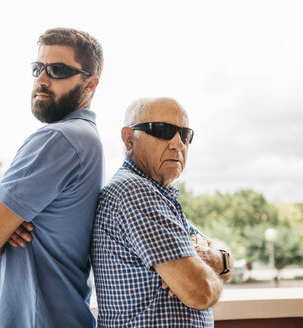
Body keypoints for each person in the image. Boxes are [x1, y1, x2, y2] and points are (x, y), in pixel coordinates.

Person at [0, 27, 104, 328]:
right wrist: (3, 226)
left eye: (57, 70)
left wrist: (0, 226)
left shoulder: (59, 139)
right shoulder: (86, 138)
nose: (42, 79)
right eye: (37, 68)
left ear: (89, 84)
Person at [91, 97, 233, 327]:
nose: (178, 143)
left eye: (185, 135)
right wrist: (206, 271)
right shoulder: (134, 192)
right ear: (129, 139)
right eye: (163, 130)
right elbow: (200, 291)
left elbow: (222, 257)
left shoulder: (160, 197)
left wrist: (215, 259)